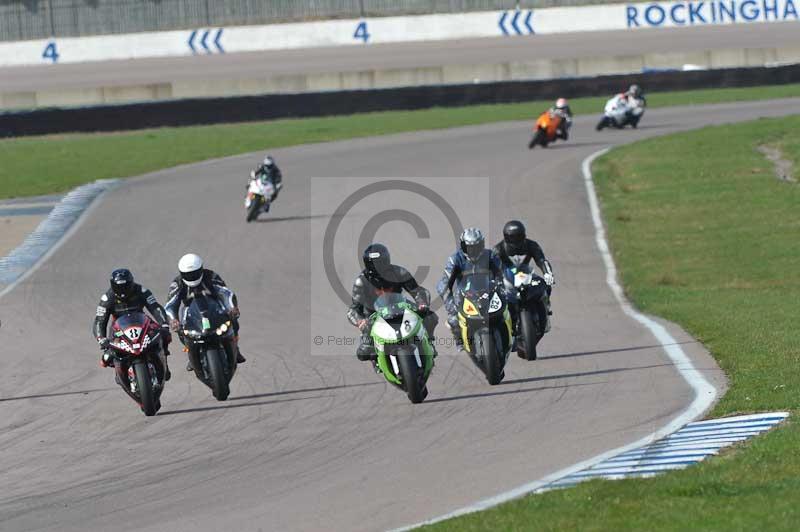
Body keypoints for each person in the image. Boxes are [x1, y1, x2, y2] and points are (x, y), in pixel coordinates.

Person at [347, 244, 438, 362]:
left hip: (401, 306)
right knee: (364, 352)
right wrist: (360, 321)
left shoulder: (399, 272)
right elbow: (353, 310)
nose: (378, 267)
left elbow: (418, 291)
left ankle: (429, 343)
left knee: (430, 316)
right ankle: (376, 355)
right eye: (374, 264)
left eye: (381, 263)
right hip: (374, 314)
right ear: (368, 264)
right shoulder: (361, 281)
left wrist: (422, 303)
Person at [165, 253, 246, 371]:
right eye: (188, 274)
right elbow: (170, 304)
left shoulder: (211, 276)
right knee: (181, 328)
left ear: (201, 269)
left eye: (194, 273)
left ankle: (235, 348)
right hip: (190, 310)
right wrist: (173, 320)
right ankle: (191, 352)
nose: (192, 277)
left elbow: (226, 293)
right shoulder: (177, 284)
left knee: (233, 321)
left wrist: (232, 308)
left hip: (214, 306)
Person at [436, 227, 512, 351]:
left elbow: (502, 274)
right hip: (464, 294)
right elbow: (444, 284)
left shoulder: (490, 255)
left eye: (476, 247)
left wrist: (504, 289)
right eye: (469, 247)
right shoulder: (455, 259)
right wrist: (451, 306)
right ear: (463, 246)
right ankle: (460, 340)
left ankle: (512, 335)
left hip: (489, 290)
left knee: (509, 308)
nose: (473, 250)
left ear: (481, 244)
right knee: (453, 320)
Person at [93, 268, 172, 380]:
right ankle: (119, 370)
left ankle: (164, 363)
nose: (123, 290)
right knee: (107, 357)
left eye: (125, 286)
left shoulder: (141, 291)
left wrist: (164, 324)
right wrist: (101, 338)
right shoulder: (107, 298)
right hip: (118, 329)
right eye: (119, 287)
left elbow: (155, 307)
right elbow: (100, 320)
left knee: (165, 335)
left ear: (131, 282)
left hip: (142, 322)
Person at [493, 220, 554, 334]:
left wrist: (547, 273)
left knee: (545, 285)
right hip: (506, 279)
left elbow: (542, 260)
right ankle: (504, 325)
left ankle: (545, 310)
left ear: (524, 235)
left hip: (527, 275)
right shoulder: (498, 249)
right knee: (496, 299)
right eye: (512, 237)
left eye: (519, 236)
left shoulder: (532, 245)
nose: (516, 240)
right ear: (506, 237)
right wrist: (494, 281)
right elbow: (491, 268)